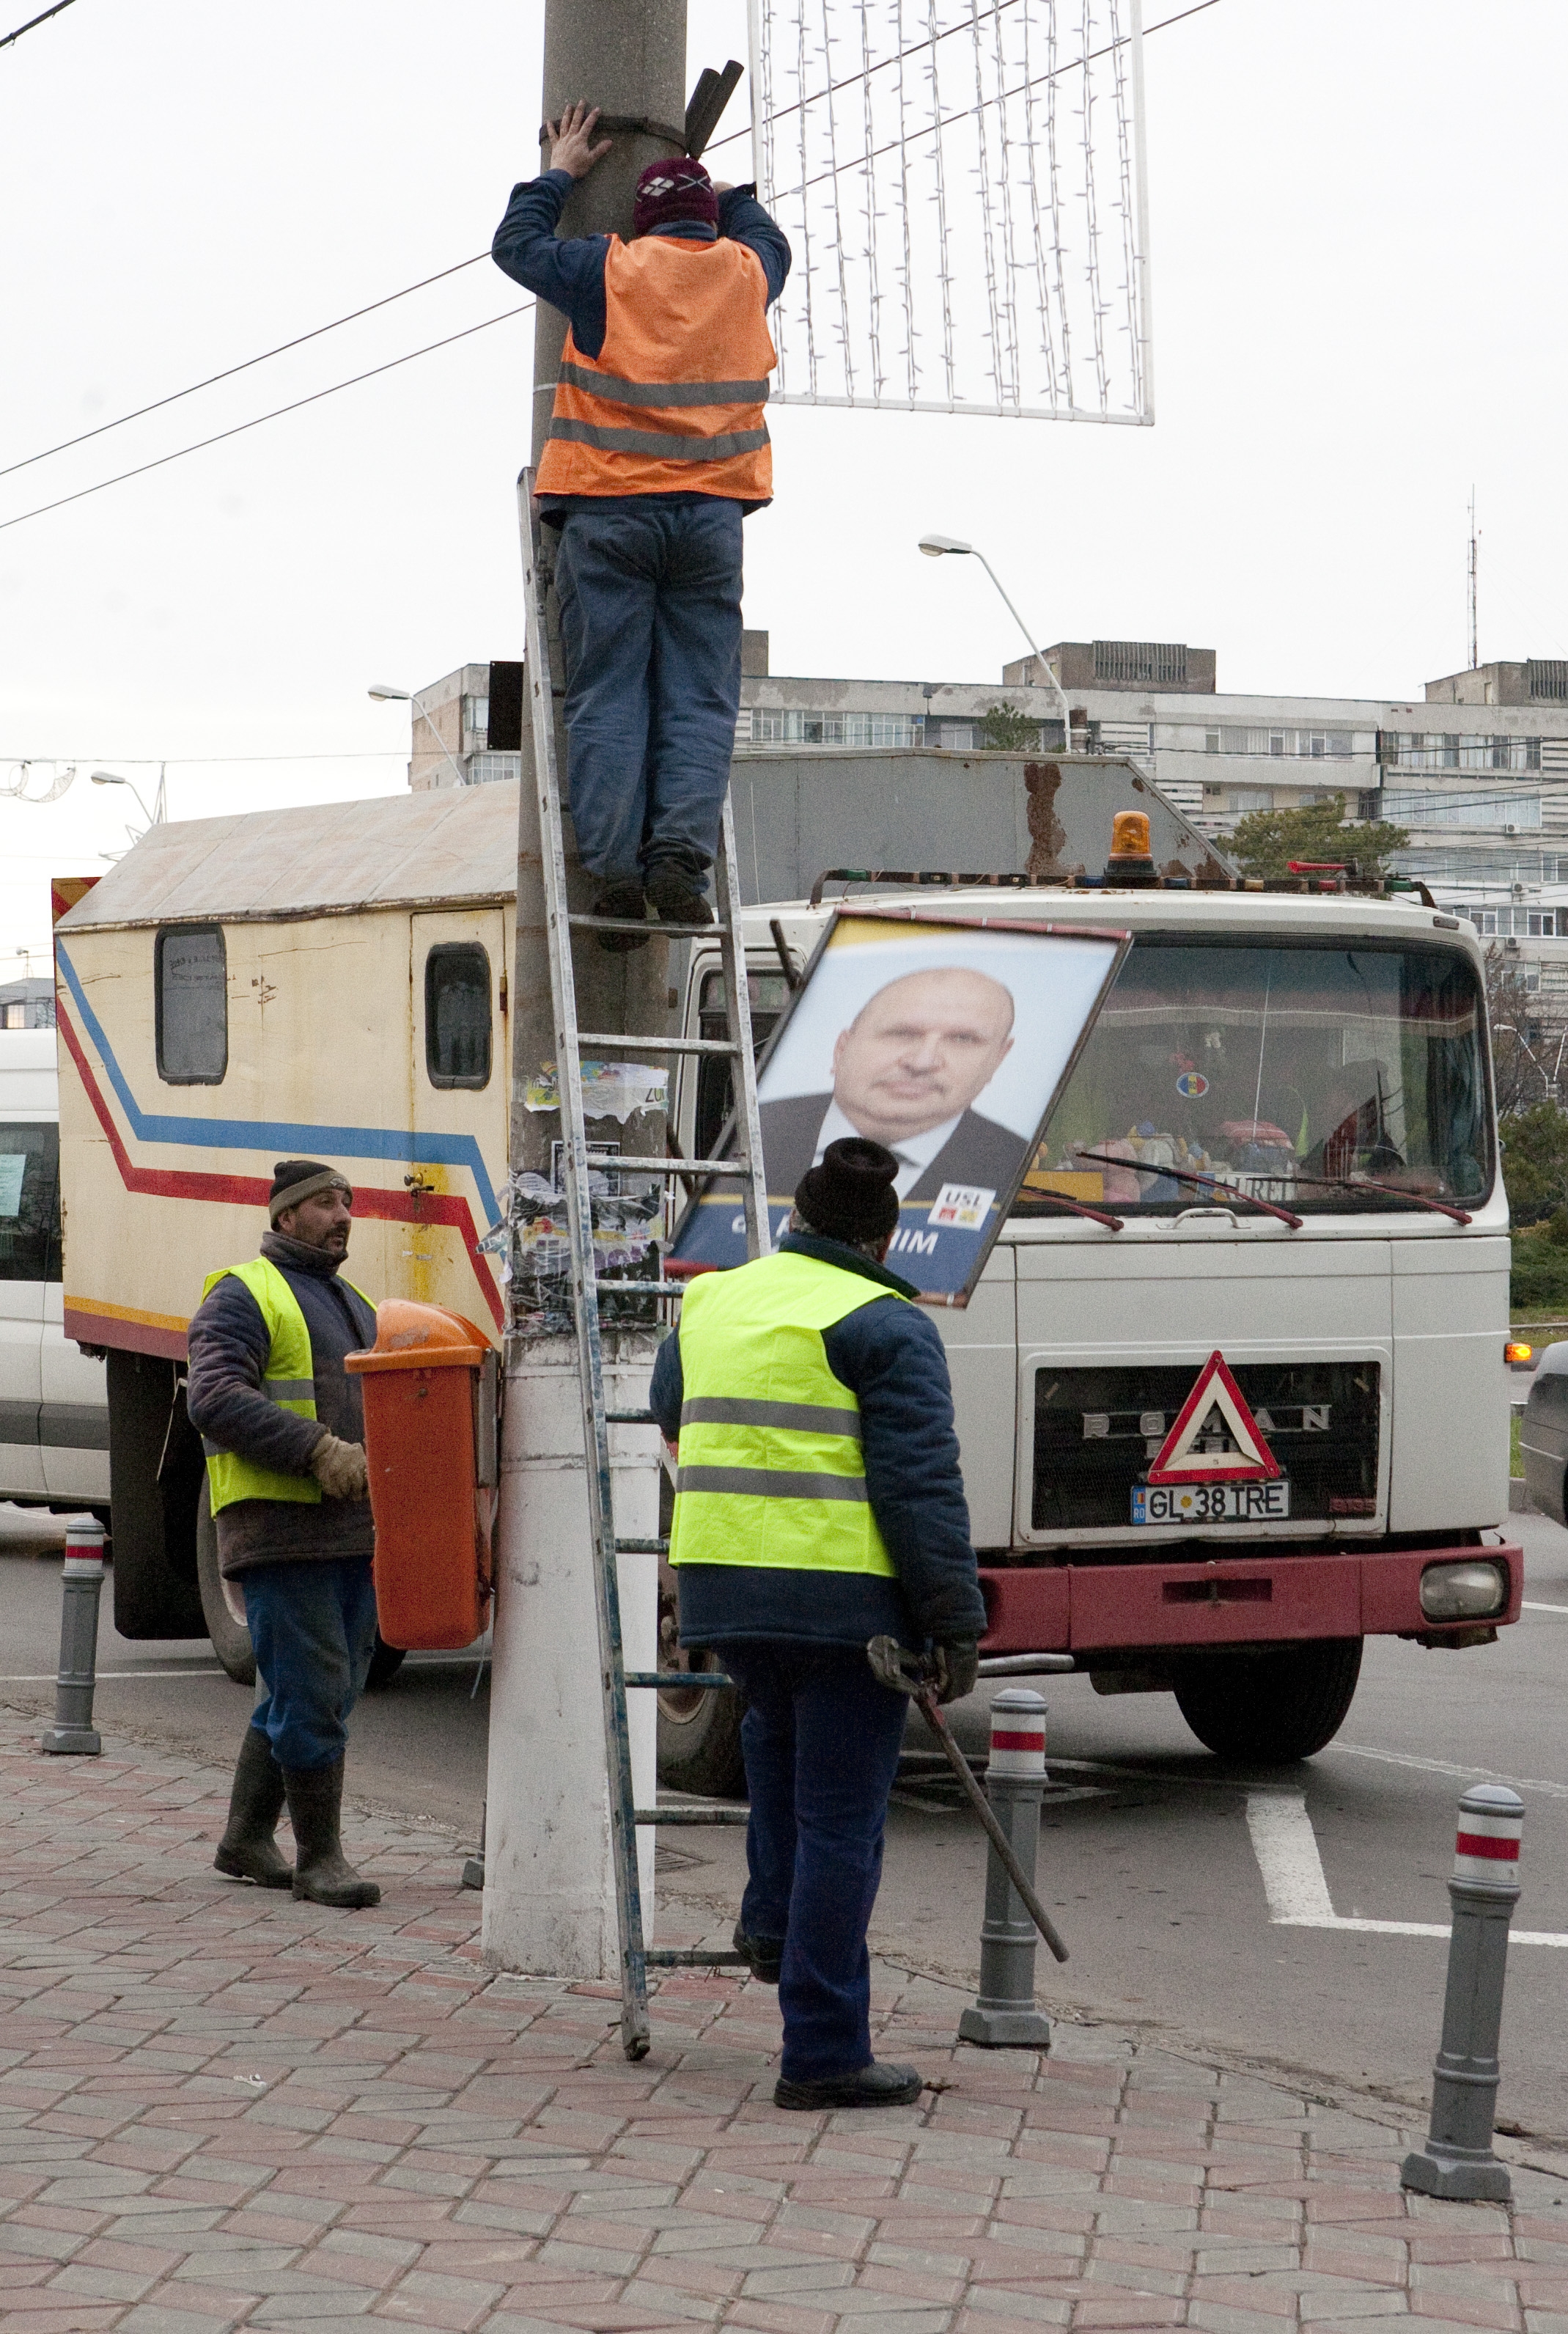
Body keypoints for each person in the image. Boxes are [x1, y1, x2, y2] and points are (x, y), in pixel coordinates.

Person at [649, 1137, 987, 2108]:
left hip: (725, 1594)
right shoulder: (884, 1322)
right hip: (844, 1609)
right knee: (841, 1820)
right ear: (885, 1238)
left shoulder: (714, 1298)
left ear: (794, 1219)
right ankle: (825, 2049)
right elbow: (921, 1489)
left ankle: (769, 1922)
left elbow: (667, 1401)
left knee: (775, 1761)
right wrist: (954, 1623)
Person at [492, 106, 791, 950]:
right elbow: (767, 235)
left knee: (609, 694)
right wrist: (729, 194)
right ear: (709, 219)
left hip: (610, 513)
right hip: (709, 522)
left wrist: (560, 169)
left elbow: (515, 248)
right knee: (697, 699)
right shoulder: (748, 273)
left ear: (642, 220)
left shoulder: (608, 270)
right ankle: (677, 864)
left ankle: (616, 878)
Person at [187, 1160, 383, 1910]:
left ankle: (244, 1837)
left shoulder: (353, 1301)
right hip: (281, 1530)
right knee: (311, 1689)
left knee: (327, 1686)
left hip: (350, 1533)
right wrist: (315, 1450)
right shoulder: (243, 1293)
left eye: (347, 1203)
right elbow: (214, 1398)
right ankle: (320, 1860)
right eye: (327, 1204)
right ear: (287, 1216)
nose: (343, 1215)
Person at [761, 965, 1024, 1205]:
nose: (922, 1062)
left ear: (998, 1059)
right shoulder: (759, 1130)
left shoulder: (1015, 1162)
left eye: (962, 1039)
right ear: (841, 1049)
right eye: (902, 1033)